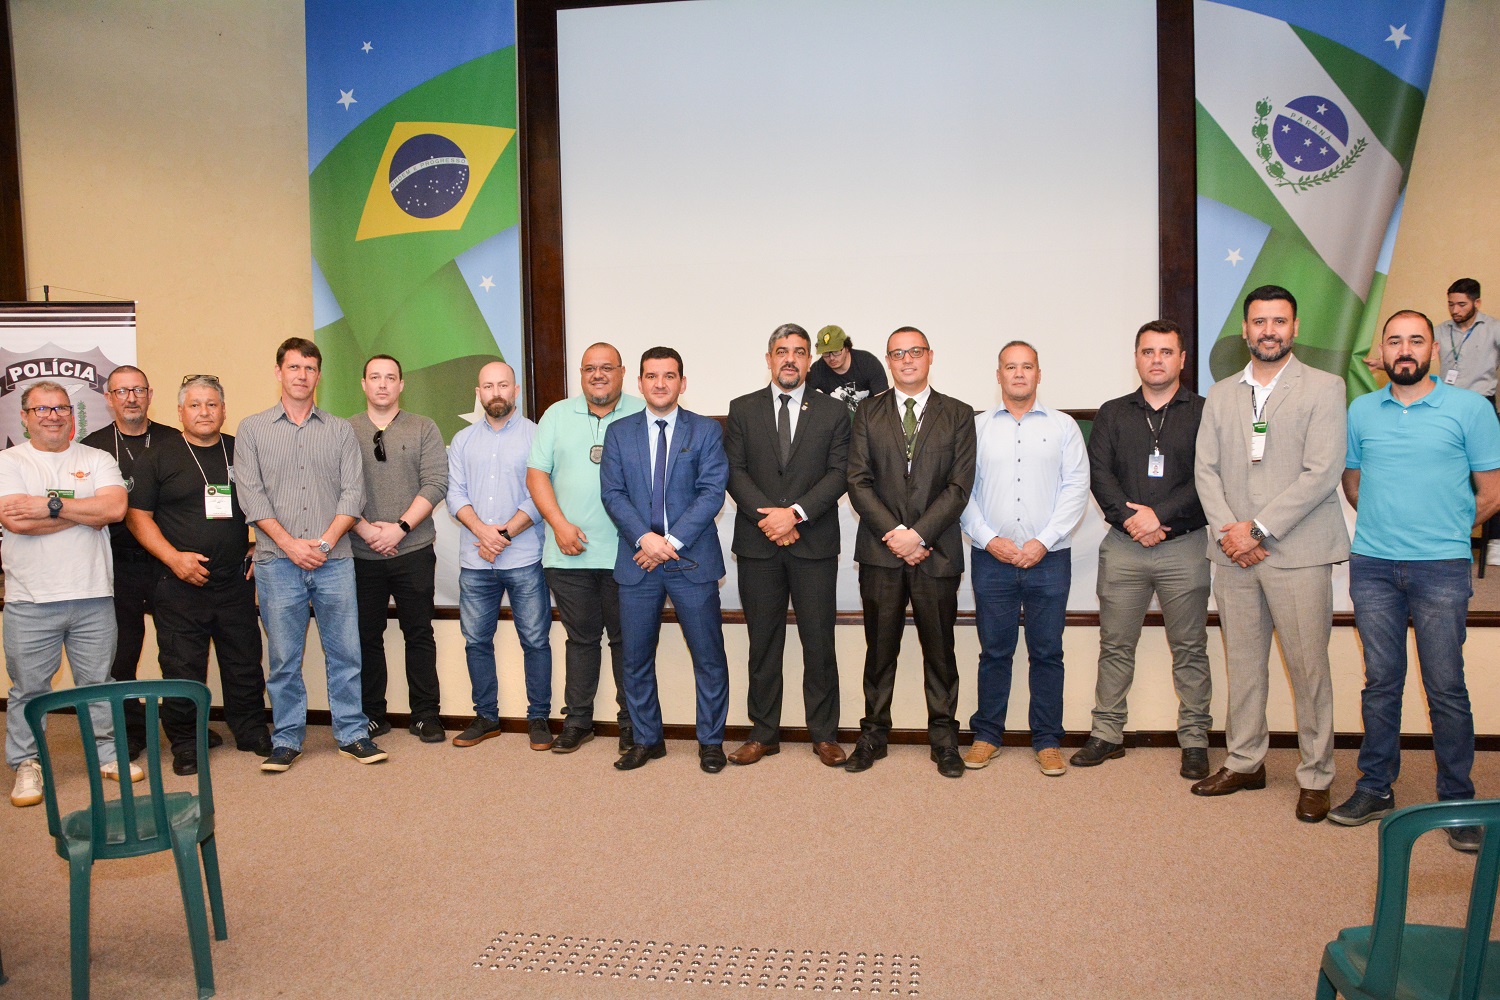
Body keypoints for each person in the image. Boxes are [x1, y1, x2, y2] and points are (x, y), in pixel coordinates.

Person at [1331, 310, 1500, 851]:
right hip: (1374, 565)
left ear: (1434, 350)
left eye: (1416, 340)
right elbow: (1352, 482)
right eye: (1395, 341)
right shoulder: (1361, 410)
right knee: (1381, 682)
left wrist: (1444, 530)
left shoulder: (1471, 410)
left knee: (1445, 686)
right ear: (1381, 353)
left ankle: (1458, 801)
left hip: (1441, 567)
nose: (1405, 349)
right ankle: (1375, 787)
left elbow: (1492, 493)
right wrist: (1388, 525)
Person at [1192, 285, 1349, 822]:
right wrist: (1230, 534)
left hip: (1297, 553)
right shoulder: (1220, 394)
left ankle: (1316, 774)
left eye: (1279, 321)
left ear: (1295, 328)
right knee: (1243, 665)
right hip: (1233, 556)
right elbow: (1205, 470)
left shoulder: (1324, 387)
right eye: (1259, 321)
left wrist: (1257, 531)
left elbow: (1322, 472)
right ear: (1245, 330)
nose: (1268, 331)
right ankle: (1244, 761)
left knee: (1309, 670)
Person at [236, 337, 386, 772]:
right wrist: (289, 544)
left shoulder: (339, 430)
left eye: (309, 368)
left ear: (318, 375)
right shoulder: (252, 429)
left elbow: (353, 494)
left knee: (346, 653)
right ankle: (286, 739)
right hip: (276, 561)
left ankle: (352, 734)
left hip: (333, 560)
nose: (301, 375)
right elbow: (251, 497)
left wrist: (322, 544)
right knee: (284, 658)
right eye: (293, 367)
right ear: (279, 372)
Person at [1072, 320, 1212, 780]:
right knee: (1115, 645)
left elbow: (1209, 476)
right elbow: (1099, 473)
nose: (1157, 359)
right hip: (1124, 546)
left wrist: (1159, 516)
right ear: (1136, 358)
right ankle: (1107, 734)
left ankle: (1195, 739)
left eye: (1166, 352)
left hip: (1184, 546)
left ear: (1182, 359)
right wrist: (1134, 521)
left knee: (1190, 647)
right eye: (1148, 351)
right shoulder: (1112, 413)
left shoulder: (1205, 412)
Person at [845, 327, 976, 778]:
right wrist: (895, 534)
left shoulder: (958, 413)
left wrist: (918, 535)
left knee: (940, 651)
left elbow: (959, 486)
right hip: (881, 553)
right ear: (888, 360)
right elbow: (857, 480)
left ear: (930, 356)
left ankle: (944, 739)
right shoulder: (867, 411)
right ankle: (873, 735)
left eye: (915, 352)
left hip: (936, 553)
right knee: (879, 651)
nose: (907, 360)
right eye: (898, 353)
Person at [2, 381, 140, 806]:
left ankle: (107, 754)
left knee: (98, 682)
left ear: (72, 415)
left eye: (61, 408)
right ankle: (27, 763)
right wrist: (85, 513)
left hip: (93, 595)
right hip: (30, 600)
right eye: (41, 409)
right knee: (29, 689)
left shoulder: (96, 458)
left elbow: (115, 509)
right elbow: (16, 521)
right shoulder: (9, 462)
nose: (53, 416)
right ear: (25, 417)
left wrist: (49, 506)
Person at [125, 375, 271, 774]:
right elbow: (137, 518)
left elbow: (269, 503)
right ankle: (187, 743)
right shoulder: (158, 457)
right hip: (179, 582)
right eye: (195, 405)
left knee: (244, 661)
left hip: (234, 580)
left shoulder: (242, 451)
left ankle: (251, 729)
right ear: (180, 411)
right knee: (182, 665)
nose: (204, 412)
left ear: (224, 410)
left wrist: (260, 545)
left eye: (211, 404)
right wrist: (173, 559)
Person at [724, 323, 851, 767]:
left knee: (819, 643)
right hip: (758, 546)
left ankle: (825, 735)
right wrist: (772, 520)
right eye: (782, 351)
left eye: (799, 351)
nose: (790, 359)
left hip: (813, 544)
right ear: (769, 359)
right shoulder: (742, 409)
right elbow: (734, 472)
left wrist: (794, 514)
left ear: (809, 360)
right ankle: (763, 734)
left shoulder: (833, 412)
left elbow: (839, 473)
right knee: (763, 644)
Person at [959, 341, 1088, 777]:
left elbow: (1076, 489)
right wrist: (989, 539)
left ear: (1038, 374)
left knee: (1047, 652)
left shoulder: (1064, 427)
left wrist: (1043, 542)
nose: (1018, 374)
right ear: (998, 375)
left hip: (1049, 559)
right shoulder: (975, 428)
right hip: (991, 558)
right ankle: (987, 735)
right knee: (994, 651)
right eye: (1010, 367)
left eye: (1026, 366)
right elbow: (962, 492)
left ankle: (1048, 740)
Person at [600, 347, 731, 773]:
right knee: (635, 658)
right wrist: (645, 538)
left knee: (708, 657)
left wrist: (668, 542)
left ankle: (710, 742)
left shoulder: (705, 430)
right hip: (638, 561)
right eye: (652, 376)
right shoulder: (619, 433)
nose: (660, 383)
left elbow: (712, 492)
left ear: (682, 382)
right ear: (639, 383)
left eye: (669, 376)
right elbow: (613, 494)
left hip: (692, 560)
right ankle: (646, 740)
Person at [526, 343, 643, 755]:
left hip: (628, 554)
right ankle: (578, 721)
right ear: (581, 373)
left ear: (622, 372)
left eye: (607, 367)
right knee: (580, 640)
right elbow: (536, 475)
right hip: (568, 552)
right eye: (590, 368)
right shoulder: (557, 414)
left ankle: (632, 724)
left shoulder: (642, 412)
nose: (598, 374)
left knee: (627, 642)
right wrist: (559, 526)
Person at [447, 361, 554, 751]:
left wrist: (504, 533)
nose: (496, 392)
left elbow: (542, 494)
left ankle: (538, 718)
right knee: (476, 641)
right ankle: (486, 718)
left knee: (535, 641)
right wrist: (482, 531)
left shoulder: (537, 436)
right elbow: (454, 493)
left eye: (503, 385)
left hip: (524, 558)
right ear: (479, 393)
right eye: (488, 386)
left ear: (516, 390)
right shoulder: (462, 440)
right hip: (475, 561)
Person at [80, 365, 181, 759]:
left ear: (150, 394)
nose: (131, 398)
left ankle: (182, 729)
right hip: (115, 564)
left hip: (166, 561)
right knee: (122, 654)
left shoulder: (174, 441)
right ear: (109, 399)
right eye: (121, 391)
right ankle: (130, 731)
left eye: (138, 390)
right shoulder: (92, 448)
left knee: (178, 650)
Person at [349, 355, 448, 743]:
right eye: (375, 377)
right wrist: (365, 529)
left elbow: (435, 483)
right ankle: (372, 714)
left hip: (414, 549)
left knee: (419, 633)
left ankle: (425, 714)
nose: (382, 384)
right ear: (363, 384)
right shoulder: (344, 430)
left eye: (390, 378)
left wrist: (400, 529)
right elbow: (336, 486)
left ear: (401, 385)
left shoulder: (423, 427)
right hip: (360, 552)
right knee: (366, 636)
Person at [805, 325, 890, 416]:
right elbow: (803, 400)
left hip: (870, 418)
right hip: (839, 421)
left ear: (847, 348)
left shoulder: (868, 363)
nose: (832, 358)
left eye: (836, 351)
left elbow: (884, 403)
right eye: (826, 353)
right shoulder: (817, 369)